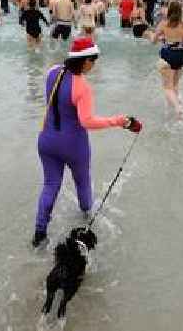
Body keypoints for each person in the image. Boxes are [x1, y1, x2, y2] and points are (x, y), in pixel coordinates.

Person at [33, 37, 141, 246]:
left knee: (50, 185)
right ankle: (86, 217)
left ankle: (39, 234)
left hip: (46, 140)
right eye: (93, 60)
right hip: (73, 145)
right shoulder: (82, 86)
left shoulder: (52, 72)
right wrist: (118, 121)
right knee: (82, 182)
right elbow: (87, 121)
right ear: (85, 61)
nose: (94, 65)